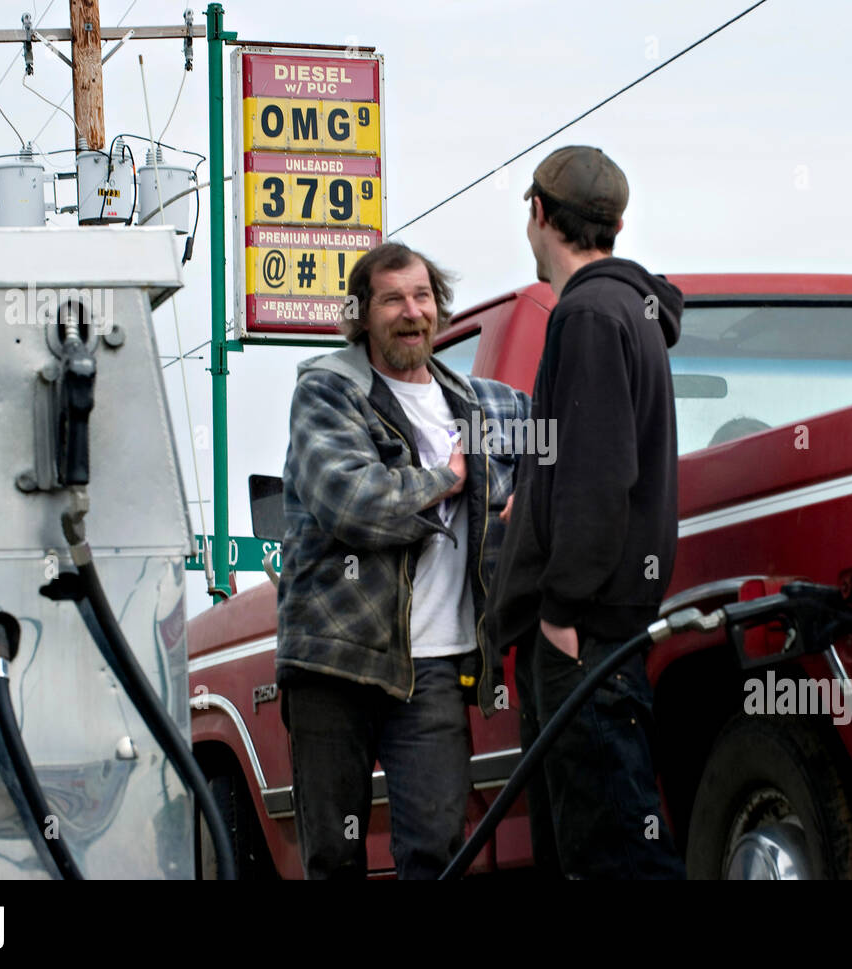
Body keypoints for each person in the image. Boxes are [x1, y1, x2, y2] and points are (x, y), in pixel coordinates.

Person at [276, 242, 529, 880]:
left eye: (421, 297)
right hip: (335, 659)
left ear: (438, 308)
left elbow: (565, 457)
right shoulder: (329, 391)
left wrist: (529, 494)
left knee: (439, 851)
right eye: (391, 299)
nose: (410, 312)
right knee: (334, 857)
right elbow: (349, 500)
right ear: (362, 314)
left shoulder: (485, 404)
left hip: (438, 667)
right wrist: (444, 480)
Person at [485, 145, 687, 879]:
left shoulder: (590, 316)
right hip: (602, 628)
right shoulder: (623, 310)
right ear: (618, 223)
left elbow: (598, 478)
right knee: (594, 848)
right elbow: (586, 465)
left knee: (611, 859)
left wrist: (560, 611)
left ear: (539, 213)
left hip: (585, 635)